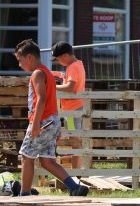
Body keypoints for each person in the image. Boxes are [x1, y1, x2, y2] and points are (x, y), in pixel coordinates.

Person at [14, 39, 88, 196]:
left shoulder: (38, 73)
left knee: (26, 157)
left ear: (29, 58)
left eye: (20, 60)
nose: (19, 64)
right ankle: (74, 187)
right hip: (51, 120)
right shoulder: (46, 71)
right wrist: (53, 123)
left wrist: (35, 124)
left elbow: (41, 98)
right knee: (47, 161)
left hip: (41, 122)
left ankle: (24, 194)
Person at [51, 42, 86, 169]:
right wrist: (56, 74)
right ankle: (76, 170)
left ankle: (76, 171)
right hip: (74, 108)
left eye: (58, 59)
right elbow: (68, 79)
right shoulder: (78, 64)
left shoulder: (72, 67)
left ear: (65, 55)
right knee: (73, 138)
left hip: (72, 110)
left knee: (74, 140)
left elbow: (70, 87)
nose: (59, 62)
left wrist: (52, 87)